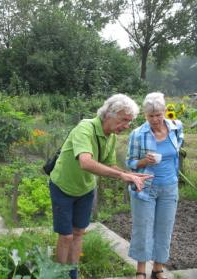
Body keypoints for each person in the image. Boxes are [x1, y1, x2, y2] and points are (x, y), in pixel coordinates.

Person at [49, 94, 153, 279]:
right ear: (109, 115)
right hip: (63, 187)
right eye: (124, 120)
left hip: (86, 189)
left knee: (79, 233)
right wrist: (121, 175)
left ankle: (72, 274)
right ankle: (58, 275)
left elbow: (109, 164)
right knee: (66, 236)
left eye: (130, 121)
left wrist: (128, 174)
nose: (127, 125)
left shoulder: (110, 136)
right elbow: (86, 163)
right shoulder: (85, 128)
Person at [126, 92, 183, 279]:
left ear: (165, 111)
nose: (155, 119)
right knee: (143, 228)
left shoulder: (176, 127)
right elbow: (130, 162)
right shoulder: (138, 134)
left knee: (164, 228)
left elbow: (177, 151)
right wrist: (144, 161)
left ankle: (158, 268)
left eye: (158, 114)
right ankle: (140, 270)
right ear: (145, 115)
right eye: (151, 116)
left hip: (169, 187)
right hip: (145, 189)